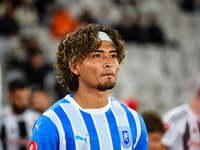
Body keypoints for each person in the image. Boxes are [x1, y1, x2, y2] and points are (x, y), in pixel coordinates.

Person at [27, 23, 148, 150]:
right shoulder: (52, 122)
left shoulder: (134, 120)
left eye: (113, 56)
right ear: (75, 67)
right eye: (97, 56)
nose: (109, 63)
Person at [0, 79, 40, 150]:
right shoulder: (2, 118)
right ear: (10, 96)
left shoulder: (36, 118)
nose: (23, 102)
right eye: (19, 98)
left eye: (26, 98)